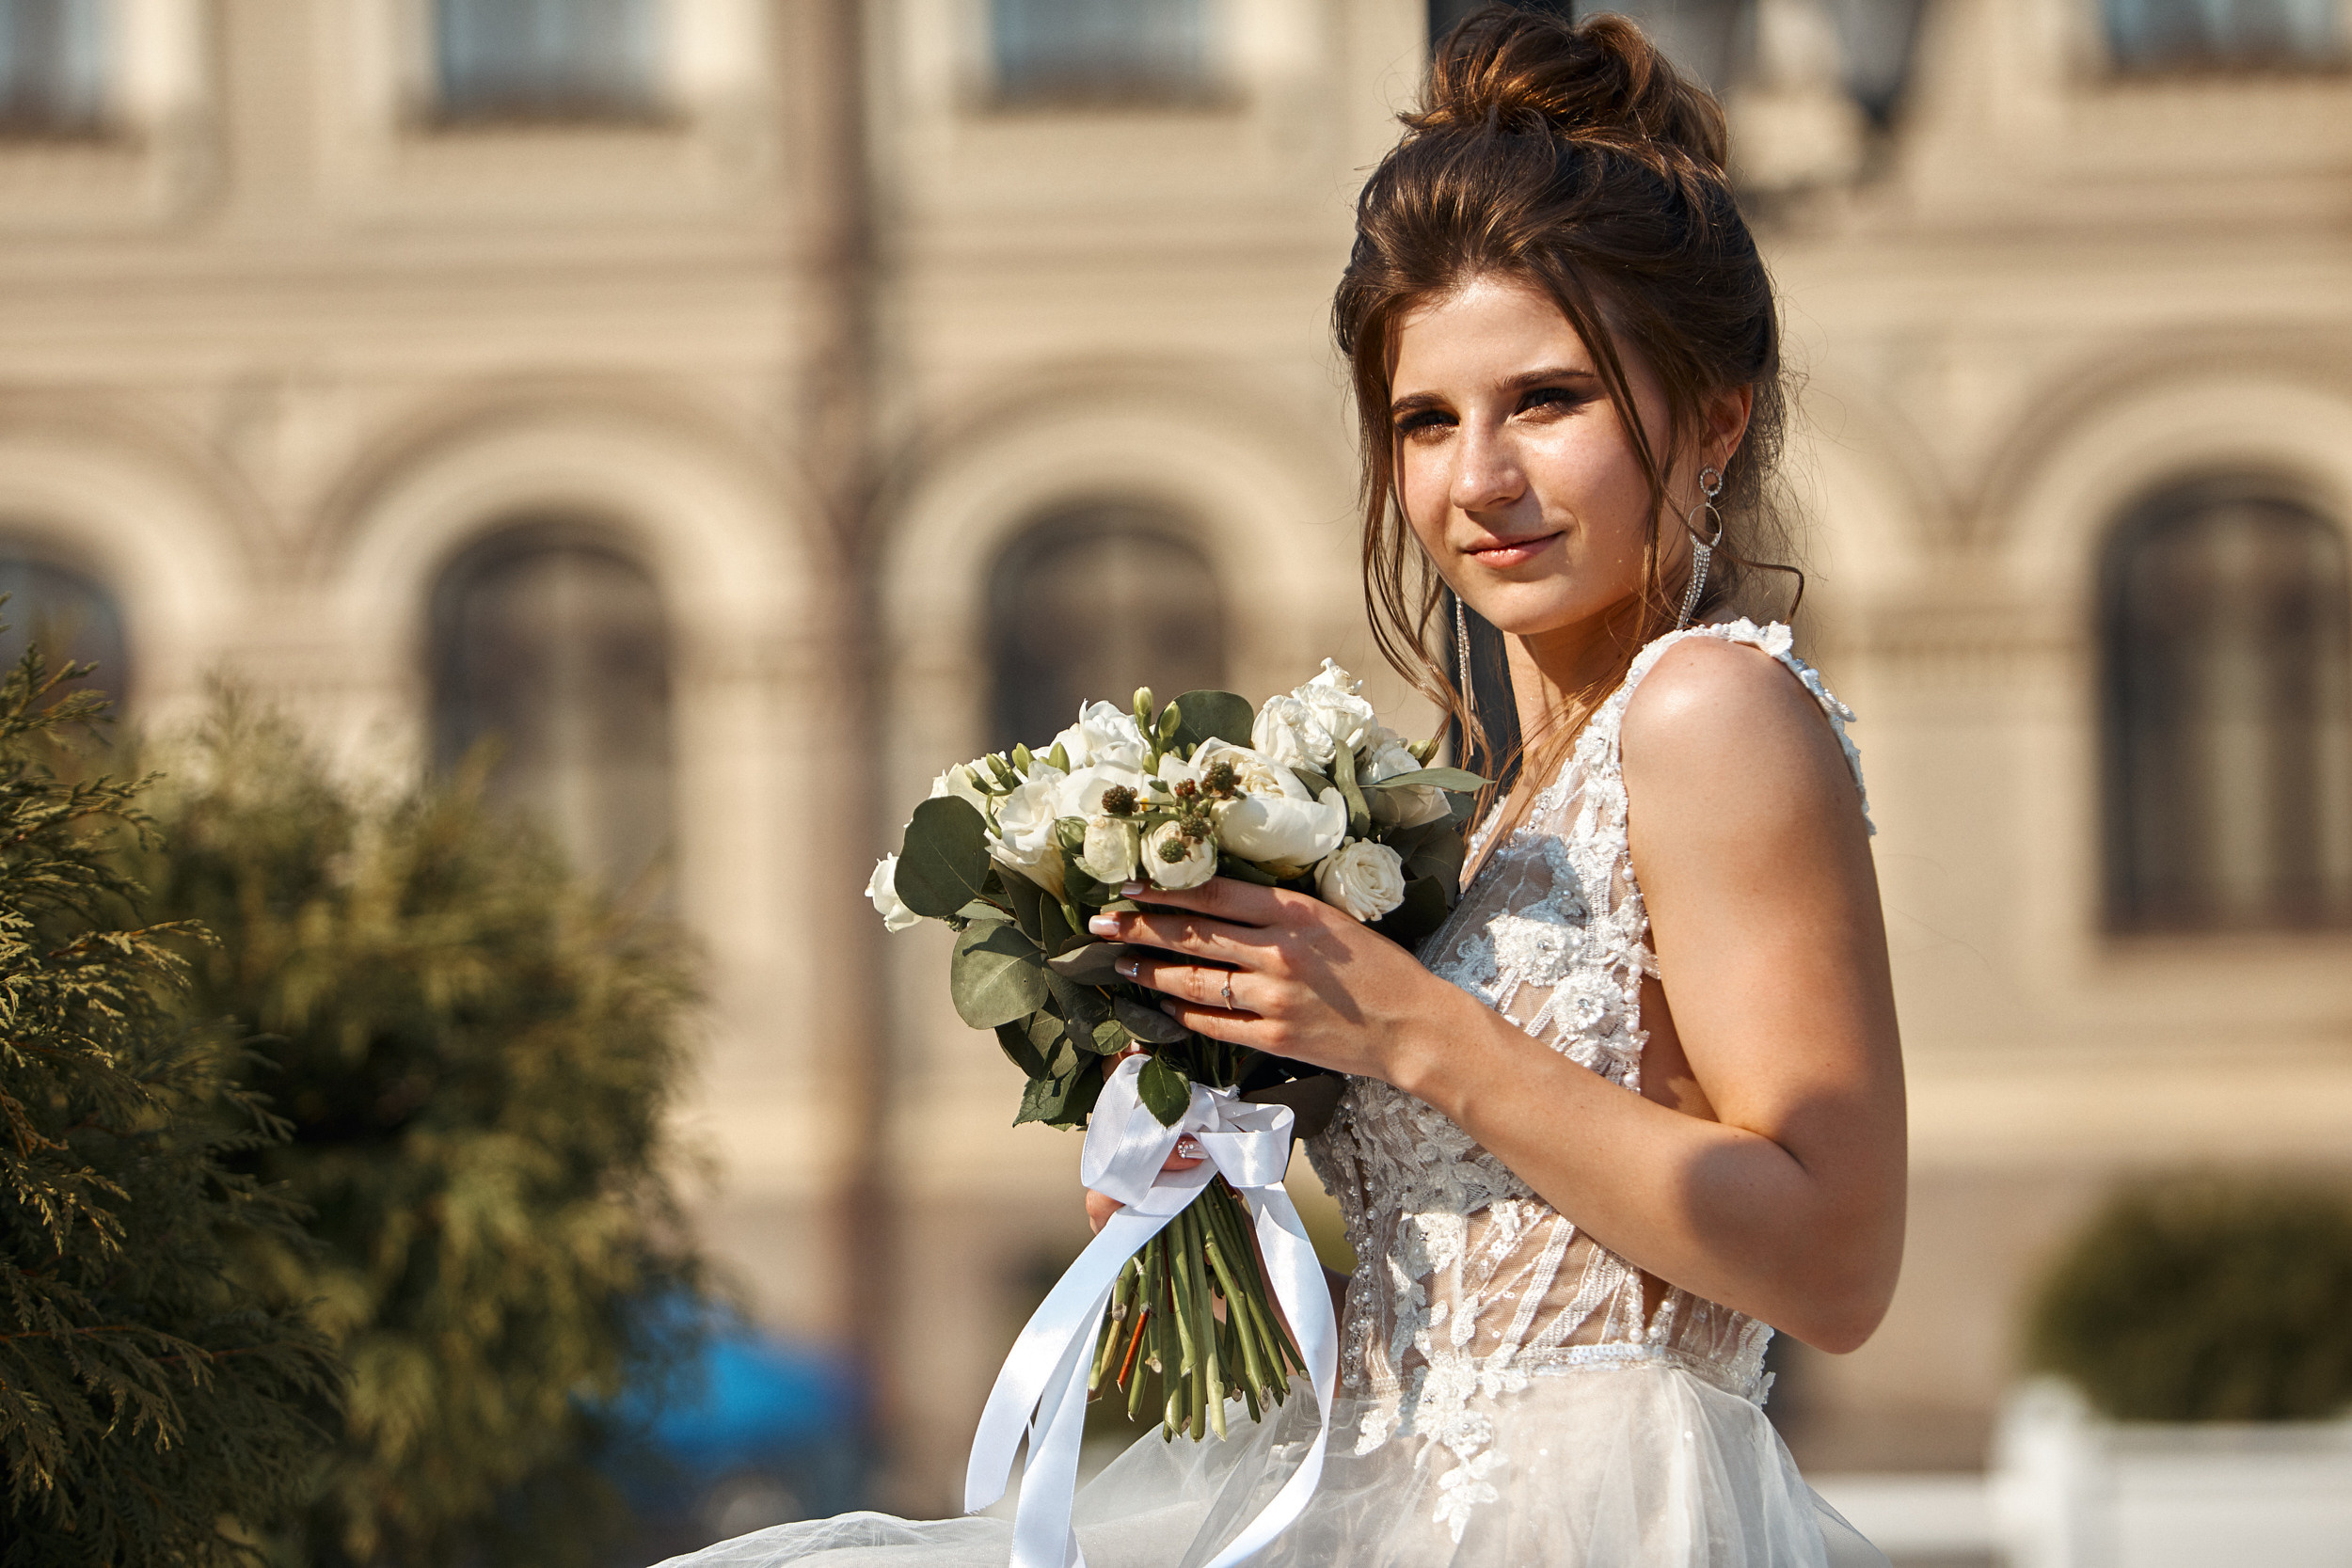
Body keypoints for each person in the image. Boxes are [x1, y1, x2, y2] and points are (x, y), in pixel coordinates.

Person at [661, 8, 1901, 1565]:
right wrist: (1202, 1157)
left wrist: (1407, 1029)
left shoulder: (1709, 710)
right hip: (1378, 1498)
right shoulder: (1497, 802)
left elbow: (1836, 1260)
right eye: (1426, 421)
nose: (1479, 480)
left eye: (1550, 400)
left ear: (1715, 415)